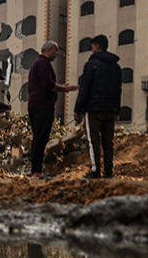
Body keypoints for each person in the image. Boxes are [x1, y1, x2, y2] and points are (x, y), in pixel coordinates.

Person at [74, 36, 123, 179]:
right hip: (111, 108)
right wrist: (117, 109)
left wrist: (78, 109)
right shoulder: (116, 67)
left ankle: (96, 171)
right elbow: (118, 89)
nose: (91, 50)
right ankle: (109, 171)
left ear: (97, 47)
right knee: (109, 141)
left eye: (92, 47)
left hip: (94, 109)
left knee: (93, 141)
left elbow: (85, 88)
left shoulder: (91, 65)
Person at [26, 41, 74, 178]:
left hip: (37, 105)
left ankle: (36, 170)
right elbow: (48, 85)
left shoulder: (38, 63)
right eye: (56, 50)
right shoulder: (42, 64)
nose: (57, 53)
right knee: (41, 138)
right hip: (42, 106)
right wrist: (65, 89)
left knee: (38, 138)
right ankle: (36, 171)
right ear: (48, 49)